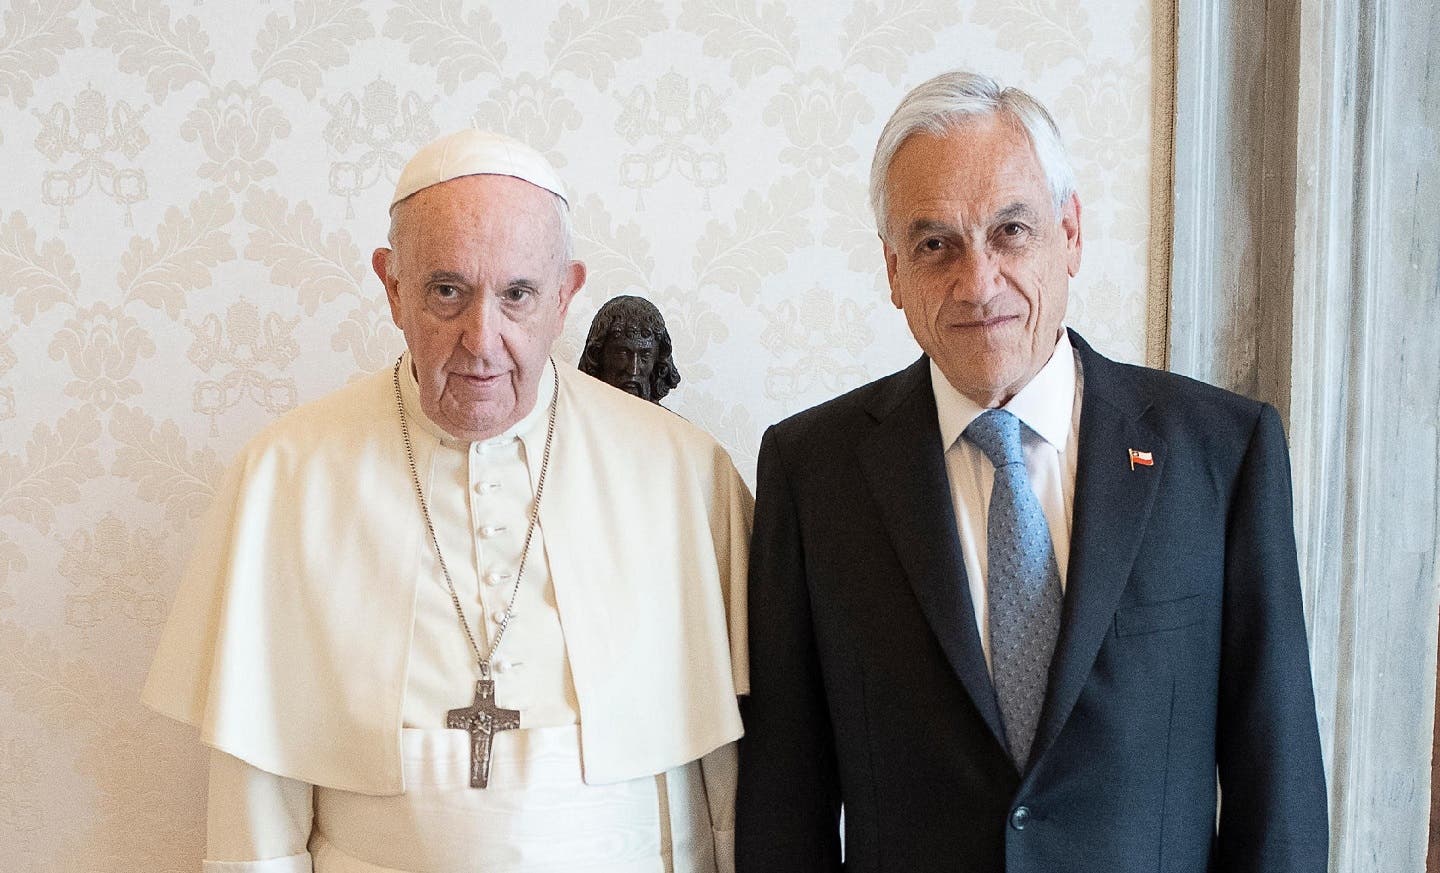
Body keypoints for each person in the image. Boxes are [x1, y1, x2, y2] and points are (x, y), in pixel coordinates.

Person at [735, 71, 1328, 872]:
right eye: (935, 243)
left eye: (1011, 231)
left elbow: (1278, 788)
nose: (978, 284)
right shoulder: (813, 473)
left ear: (1071, 232)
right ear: (892, 272)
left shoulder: (1221, 451)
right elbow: (784, 806)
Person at [143, 129, 751, 873]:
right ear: (392, 286)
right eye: (446, 291)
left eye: (518, 294)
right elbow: (256, 798)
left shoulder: (681, 472)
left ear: (565, 293)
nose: (481, 340)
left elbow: (732, 773)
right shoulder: (288, 475)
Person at [579, 295, 682, 403]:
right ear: (597, 355)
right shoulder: (569, 416)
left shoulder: (666, 420)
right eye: (622, 354)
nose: (633, 370)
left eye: (645, 356)